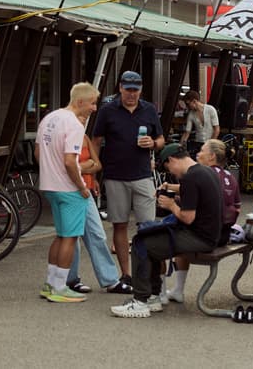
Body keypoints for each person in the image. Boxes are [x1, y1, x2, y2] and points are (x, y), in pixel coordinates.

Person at [110, 144, 223, 318]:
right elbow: (192, 193)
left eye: (168, 168)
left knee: (141, 243)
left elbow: (187, 217)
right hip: (210, 235)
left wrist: (171, 205)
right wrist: (170, 189)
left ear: (171, 160)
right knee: (153, 240)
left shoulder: (190, 178)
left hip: (198, 237)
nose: (172, 173)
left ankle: (140, 301)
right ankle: (153, 296)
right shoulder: (205, 171)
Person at [92, 70, 165, 283]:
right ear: (120, 88)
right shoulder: (107, 110)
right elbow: (96, 141)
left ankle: (148, 275)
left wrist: (153, 143)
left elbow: (161, 139)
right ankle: (126, 274)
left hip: (143, 175)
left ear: (141, 90)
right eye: (128, 90)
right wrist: (93, 174)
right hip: (115, 176)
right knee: (120, 224)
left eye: (136, 90)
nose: (132, 94)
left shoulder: (149, 109)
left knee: (148, 227)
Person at [38, 82, 99, 303]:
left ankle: (50, 283)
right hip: (69, 188)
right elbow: (70, 162)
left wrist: (50, 170)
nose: (94, 108)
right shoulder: (74, 124)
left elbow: (38, 153)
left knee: (61, 235)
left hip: (49, 185)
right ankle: (59, 288)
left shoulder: (48, 119)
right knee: (70, 237)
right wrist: (82, 187)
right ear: (80, 101)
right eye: (92, 103)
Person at [164, 138, 241, 304]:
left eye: (201, 151)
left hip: (210, 235)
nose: (197, 154)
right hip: (226, 232)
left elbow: (191, 195)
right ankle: (177, 289)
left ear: (212, 156)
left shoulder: (205, 174)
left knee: (172, 233)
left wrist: (171, 201)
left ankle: (168, 291)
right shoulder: (229, 176)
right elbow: (237, 206)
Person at [66, 134, 132, 296]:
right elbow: (66, 166)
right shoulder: (65, 136)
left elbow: (97, 165)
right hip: (69, 189)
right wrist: (85, 166)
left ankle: (110, 280)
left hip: (85, 190)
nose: (83, 123)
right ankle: (71, 279)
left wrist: (80, 168)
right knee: (72, 237)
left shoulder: (84, 137)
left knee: (97, 233)